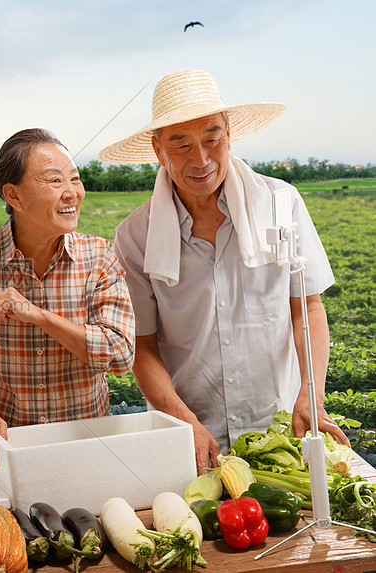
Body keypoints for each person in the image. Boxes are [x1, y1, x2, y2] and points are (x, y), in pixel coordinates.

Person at [98, 68, 350, 475]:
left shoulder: (281, 202)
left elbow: (308, 307)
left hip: (281, 426)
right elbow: (142, 348)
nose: (201, 160)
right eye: (180, 144)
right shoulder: (134, 236)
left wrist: (312, 393)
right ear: (158, 149)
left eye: (212, 139)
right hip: (193, 439)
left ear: (229, 134)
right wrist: (187, 422)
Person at [0, 128, 135, 480]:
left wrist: (40, 316)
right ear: (13, 195)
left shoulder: (99, 256)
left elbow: (120, 354)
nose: (72, 192)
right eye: (54, 180)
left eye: (74, 178)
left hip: (84, 452)